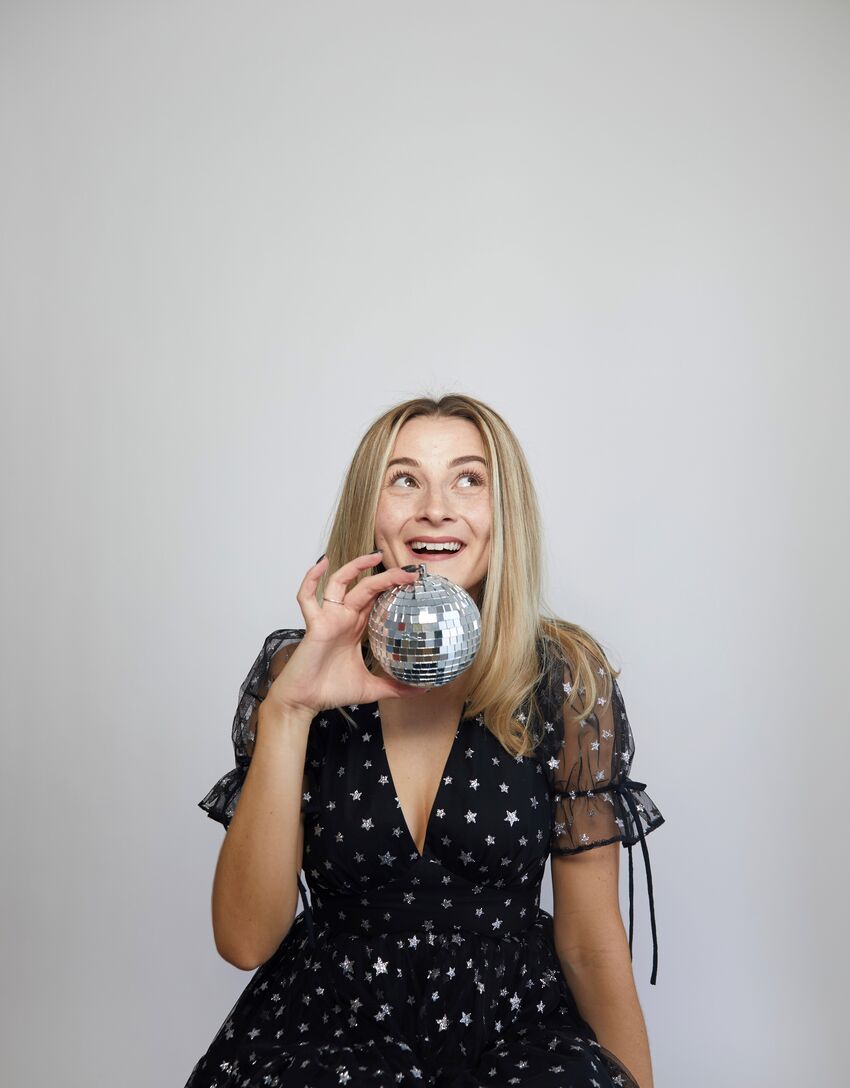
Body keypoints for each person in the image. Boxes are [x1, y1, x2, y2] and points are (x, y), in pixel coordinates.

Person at [184, 393, 665, 1088]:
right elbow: (245, 940)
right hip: (330, 1036)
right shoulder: (296, 671)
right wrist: (290, 711)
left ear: (505, 516)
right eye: (404, 479)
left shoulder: (562, 673)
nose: (435, 507)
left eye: (469, 480)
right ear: (369, 511)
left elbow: (592, 947)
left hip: (516, 1037)